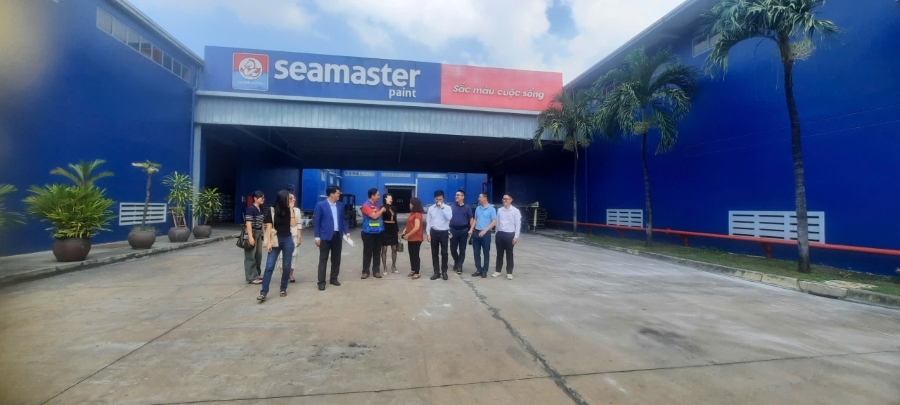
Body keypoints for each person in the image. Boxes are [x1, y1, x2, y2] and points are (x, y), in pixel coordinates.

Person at [257, 190, 297, 302]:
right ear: (283, 199)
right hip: (275, 240)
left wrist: (291, 209)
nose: (291, 200)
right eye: (289, 198)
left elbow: (293, 224)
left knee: (286, 266)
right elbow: (269, 227)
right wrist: (268, 242)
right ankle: (263, 292)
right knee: (269, 266)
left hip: (287, 240)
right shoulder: (272, 210)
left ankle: (283, 288)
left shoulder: (290, 210)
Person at [314, 185, 351, 291]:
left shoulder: (340, 205)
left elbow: (343, 220)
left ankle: (334, 278)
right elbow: (317, 222)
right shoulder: (320, 205)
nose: (339, 195)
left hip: (337, 236)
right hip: (325, 236)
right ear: (331, 194)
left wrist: (347, 232)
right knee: (323, 259)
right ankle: (321, 282)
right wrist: (317, 237)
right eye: (338, 193)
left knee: (336, 259)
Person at [425, 190, 453, 280]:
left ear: (443, 199)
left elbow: (449, 218)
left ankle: (444, 271)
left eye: (440, 199)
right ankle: (436, 272)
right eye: (437, 199)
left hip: (444, 232)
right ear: (434, 199)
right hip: (434, 232)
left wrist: (442, 208)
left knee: (444, 253)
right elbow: (428, 221)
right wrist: (428, 233)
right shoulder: (431, 208)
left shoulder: (448, 208)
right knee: (434, 253)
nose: (438, 201)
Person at [493, 193, 521, 280]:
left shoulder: (515, 211)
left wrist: (516, 237)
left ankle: (509, 272)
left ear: (511, 200)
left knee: (509, 254)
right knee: (499, 254)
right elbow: (497, 222)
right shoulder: (500, 210)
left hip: (510, 234)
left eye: (507, 199)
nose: (505, 200)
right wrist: (496, 233)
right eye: (503, 199)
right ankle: (498, 270)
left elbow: (518, 224)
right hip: (500, 234)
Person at [470, 192, 497, 278]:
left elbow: (494, 222)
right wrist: (471, 229)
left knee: (486, 252)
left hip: (486, 233)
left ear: (485, 198)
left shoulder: (492, 209)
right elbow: (475, 219)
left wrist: (485, 230)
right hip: (476, 232)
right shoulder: (478, 208)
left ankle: (485, 270)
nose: (478, 199)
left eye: (480, 197)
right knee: (476, 252)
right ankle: (478, 269)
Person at [360, 188, 386, 279]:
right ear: (372, 195)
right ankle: (365, 272)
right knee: (367, 253)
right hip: (368, 233)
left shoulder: (377, 205)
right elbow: (374, 216)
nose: (379, 196)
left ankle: (376, 271)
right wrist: (382, 210)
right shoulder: (366, 206)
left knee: (377, 252)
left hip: (378, 233)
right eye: (377, 195)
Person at [277, 193, 302, 283]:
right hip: (282, 235)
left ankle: (291, 274)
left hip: (293, 235)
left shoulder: (297, 210)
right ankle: (284, 273)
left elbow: (298, 224)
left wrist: (299, 237)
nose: (293, 200)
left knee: (294, 255)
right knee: (281, 256)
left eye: (294, 198)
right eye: (291, 198)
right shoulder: (280, 210)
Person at [449, 189, 475, 274]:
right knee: (453, 248)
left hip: (463, 230)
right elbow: (448, 218)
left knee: (462, 249)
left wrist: (471, 229)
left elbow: (471, 218)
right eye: (456, 195)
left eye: (458, 195)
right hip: (453, 230)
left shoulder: (467, 207)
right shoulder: (451, 207)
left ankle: (459, 265)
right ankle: (456, 261)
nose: (456, 196)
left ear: (463, 197)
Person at [243, 190, 265, 285]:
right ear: (255, 198)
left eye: (263, 198)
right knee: (250, 255)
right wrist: (250, 237)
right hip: (252, 232)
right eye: (261, 198)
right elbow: (248, 223)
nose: (263, 199)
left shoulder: (260, 208)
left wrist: (264, 234)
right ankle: (251, 277)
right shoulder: (250, 209)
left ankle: (257, 273)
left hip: (259, 233)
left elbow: (262, 223)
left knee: (258, 255)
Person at [401, 197, 425, 279]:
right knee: (411, 254)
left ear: (414, 205)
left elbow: (416, 227)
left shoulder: (417, 214)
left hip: (416, 238)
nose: (409, 205)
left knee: (415, 255)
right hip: (411, 237)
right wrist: (405, 231)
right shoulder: (412, 213)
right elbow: (409, 224)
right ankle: (413, 270)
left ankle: (417, 272)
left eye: (410, 203)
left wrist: (407, 235)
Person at [381, 193, 400, 274]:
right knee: (384, 249)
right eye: (389, 198)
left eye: (391, 198)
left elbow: (395, 220)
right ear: (385, 198)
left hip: (393, 229)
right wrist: (387, 205)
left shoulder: (393, 208)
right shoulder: (382, 207)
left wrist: (397, 230)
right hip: (385, 229)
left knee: (394, 248)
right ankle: (384, 268)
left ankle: (393, 266)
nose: (391, 199)